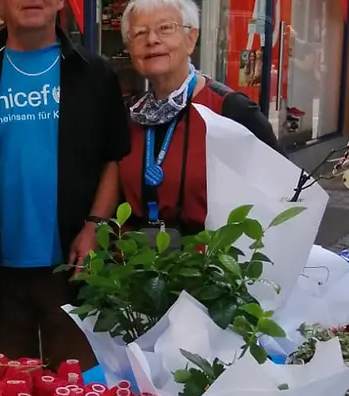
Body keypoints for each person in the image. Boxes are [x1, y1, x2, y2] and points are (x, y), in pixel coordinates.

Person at [0, 0, 131, 372]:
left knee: (75, 393)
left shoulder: (94, 76)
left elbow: (113, 160)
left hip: (74, 272)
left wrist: (95, 226)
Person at [117, 0, 279, 234]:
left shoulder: (231, 111)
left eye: (165, 28)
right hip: (134, 263)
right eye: (140, 33)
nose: (152, 40)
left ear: (191, 39)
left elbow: (283, 193)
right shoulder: (129, 115)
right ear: (129, 48)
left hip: (209, 265)